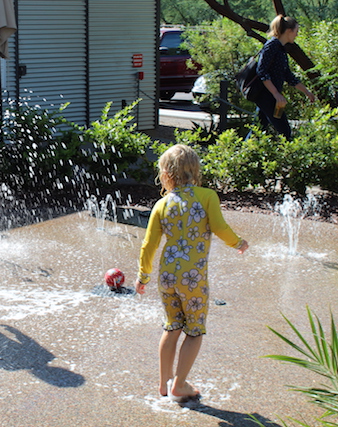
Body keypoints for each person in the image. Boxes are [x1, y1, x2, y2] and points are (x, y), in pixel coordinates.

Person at [134, 144, 249, 402]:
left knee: (172, 326)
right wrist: (238, 243)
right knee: (194, 330)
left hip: (167, 276)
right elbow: (219, 227)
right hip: (192, 277)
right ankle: (180, 384)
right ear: (194, 170)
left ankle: (163, 384)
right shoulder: (207, 196)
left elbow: (149, 245)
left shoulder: (162, 204)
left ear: (166, 173)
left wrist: (143, 276)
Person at [255, 14, 316, 139]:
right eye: (296, 31)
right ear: (288, 31)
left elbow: (288, 76)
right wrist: (276, 94)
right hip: (267, 96)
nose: (297, 35)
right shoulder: (272, 45)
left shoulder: (281, 49)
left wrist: (307, 92)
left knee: (259, 130)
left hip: (272, 97)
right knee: (285, 132)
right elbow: (261, 71)